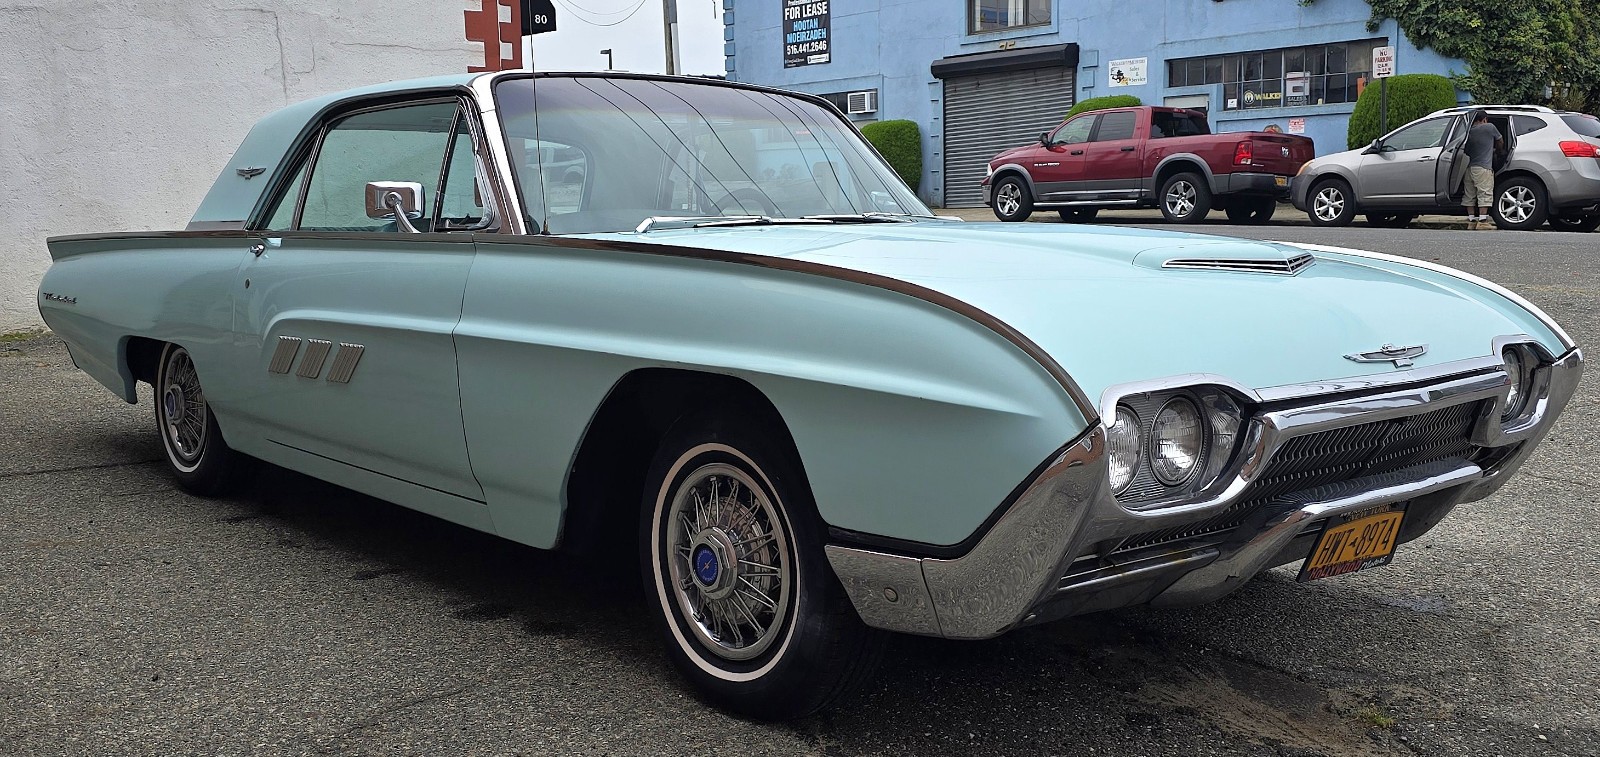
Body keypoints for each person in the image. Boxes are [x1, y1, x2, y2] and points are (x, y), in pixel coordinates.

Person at [1462, 111, 1503, 229]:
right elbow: (1500, 140)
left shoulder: (1468, 131)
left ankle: (1471, 221)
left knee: (1469, 195)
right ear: (1484, 119)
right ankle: (1482, 221)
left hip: (1469, 168)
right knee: (1484, 193)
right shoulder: (1489, 127)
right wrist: (1499, 151)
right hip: (1483, 168)